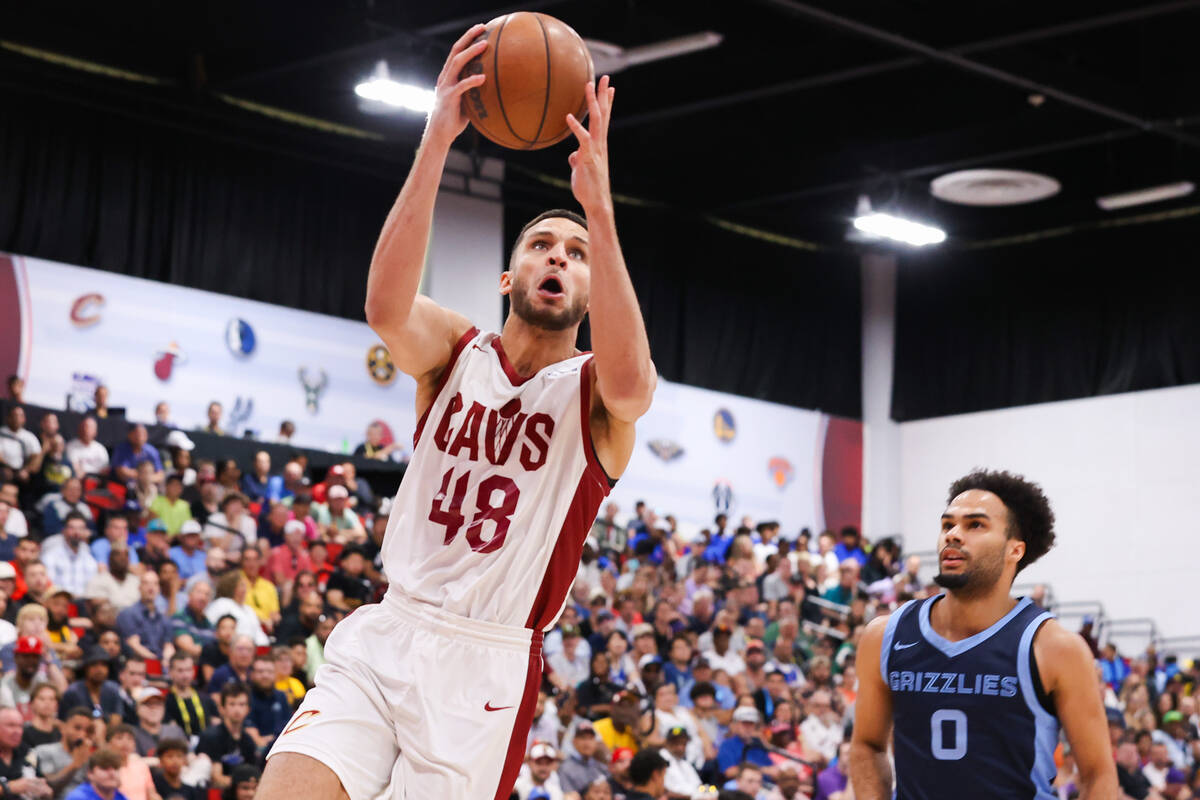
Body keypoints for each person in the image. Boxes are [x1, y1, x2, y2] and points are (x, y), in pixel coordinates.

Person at [260, 33, 653, 800]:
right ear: (510, 276)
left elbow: (636, 387)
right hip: (388, 630)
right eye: (543, 244)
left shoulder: (598, 394)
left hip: (486, 667)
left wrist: (597, 211)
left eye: (575, 254)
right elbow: (383, 307)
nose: (559, 258)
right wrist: (437, 136)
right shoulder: (454, 352)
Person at [850, 469, 1118, 799]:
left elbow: (1098, 776)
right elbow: (867, 745)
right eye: (948, 524)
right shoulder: (884, 636)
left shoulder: (1055, 648)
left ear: (1014, 550)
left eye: (975, 525)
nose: (953, 535)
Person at [196, 683, 257, 791]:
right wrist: (243, 785)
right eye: (232, 704)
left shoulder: (248, 741)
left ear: (248, 709)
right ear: (222, 708)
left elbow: (252, 777)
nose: (237, 709)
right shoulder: (211, 736)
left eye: (242, 704)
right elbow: (216, 778)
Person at [34, 706, 96, 799]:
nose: (82, 734)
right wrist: (75, 765)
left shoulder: (90, 756)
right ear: (63, 727)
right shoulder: (45, 751)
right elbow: (48, 786)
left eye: (87, 731)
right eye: (77, 728)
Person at [115, 571, 172, 662]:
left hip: (160, 665)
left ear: (159, 589)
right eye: (146, 583)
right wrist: (156, 662)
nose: (151, 587)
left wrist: (166, 660)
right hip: (136, 663)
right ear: (139, 587)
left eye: (155, 584)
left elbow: (168, 645)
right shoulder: (128, 614)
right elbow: (133, 644)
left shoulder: (164, 618)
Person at [162, 654, 217, 744]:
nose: (185, 675)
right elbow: (171, 730)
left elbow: (216, 724)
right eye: (180, 670)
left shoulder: (206, 698)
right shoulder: (166, 702)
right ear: (170, 672)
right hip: (181, 746)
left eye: (188, 670)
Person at [0, 705, 52, 799]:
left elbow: (42, 783)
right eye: (10, 725)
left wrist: (45, 792)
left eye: (20, 726)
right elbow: (12, 788)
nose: (17, 731)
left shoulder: (27, 752)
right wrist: (8, 788)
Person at [43, 513, 99, 597]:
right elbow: (49, 586)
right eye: (72, 528)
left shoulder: (89, 559)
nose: (76, 532)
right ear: (64, 530)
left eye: (81, 528)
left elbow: (92, 588)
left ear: (85, 532)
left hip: (83, 603)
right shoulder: (50, 556)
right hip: (59, 600)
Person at [558, 719, 608, 795]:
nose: (587, 743)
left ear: (596, 742)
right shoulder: (565, 768)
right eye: (583, 738)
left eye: (590, 738)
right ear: (574, 741)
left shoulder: (601, 767)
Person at [660, 725, 702, 799]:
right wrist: (692, 797)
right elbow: (663, 791)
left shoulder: (685, 763)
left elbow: (698, 785)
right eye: (676, 743)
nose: (680, 747)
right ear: (667, 743)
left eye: (683, 744)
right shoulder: (661, 758)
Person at [23, 683, 61, 749]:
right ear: (32, 703)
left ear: (57, 705)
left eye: (52, 699)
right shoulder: (24, 732)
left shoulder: (60, 734)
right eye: (42, 699)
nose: (47, 702)